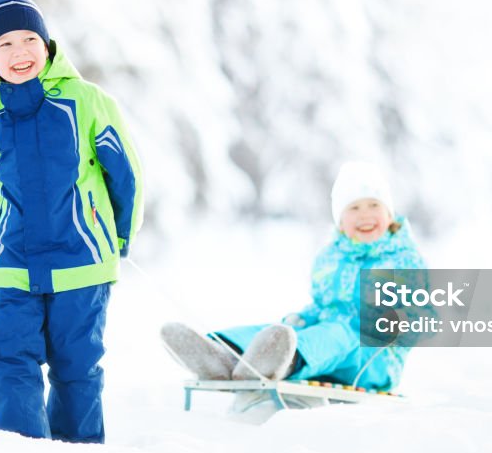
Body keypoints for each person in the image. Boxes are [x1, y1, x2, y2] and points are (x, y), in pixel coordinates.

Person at [0, 0, 143, 442]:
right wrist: (7, 219)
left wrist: (118, 235)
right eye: (4, 44)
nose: (19, 51)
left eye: (29, 39)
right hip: (16, 261)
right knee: (7, 350)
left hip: (82, 258)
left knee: (75, 363)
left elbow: (125, 174)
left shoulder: (85, 101)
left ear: (47, 45)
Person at [161, 161, 426, 392]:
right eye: (353, 208)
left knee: (338, 334)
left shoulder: (404, 260)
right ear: (340, 221)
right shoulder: (331, 259)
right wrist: (303, 318)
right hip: (327, 346)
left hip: (375, 359)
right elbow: (322, 305)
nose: (365, 214)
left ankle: (285, 361)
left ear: (389, 214)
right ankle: (222, 353)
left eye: (374, 205)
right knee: (286, 330)